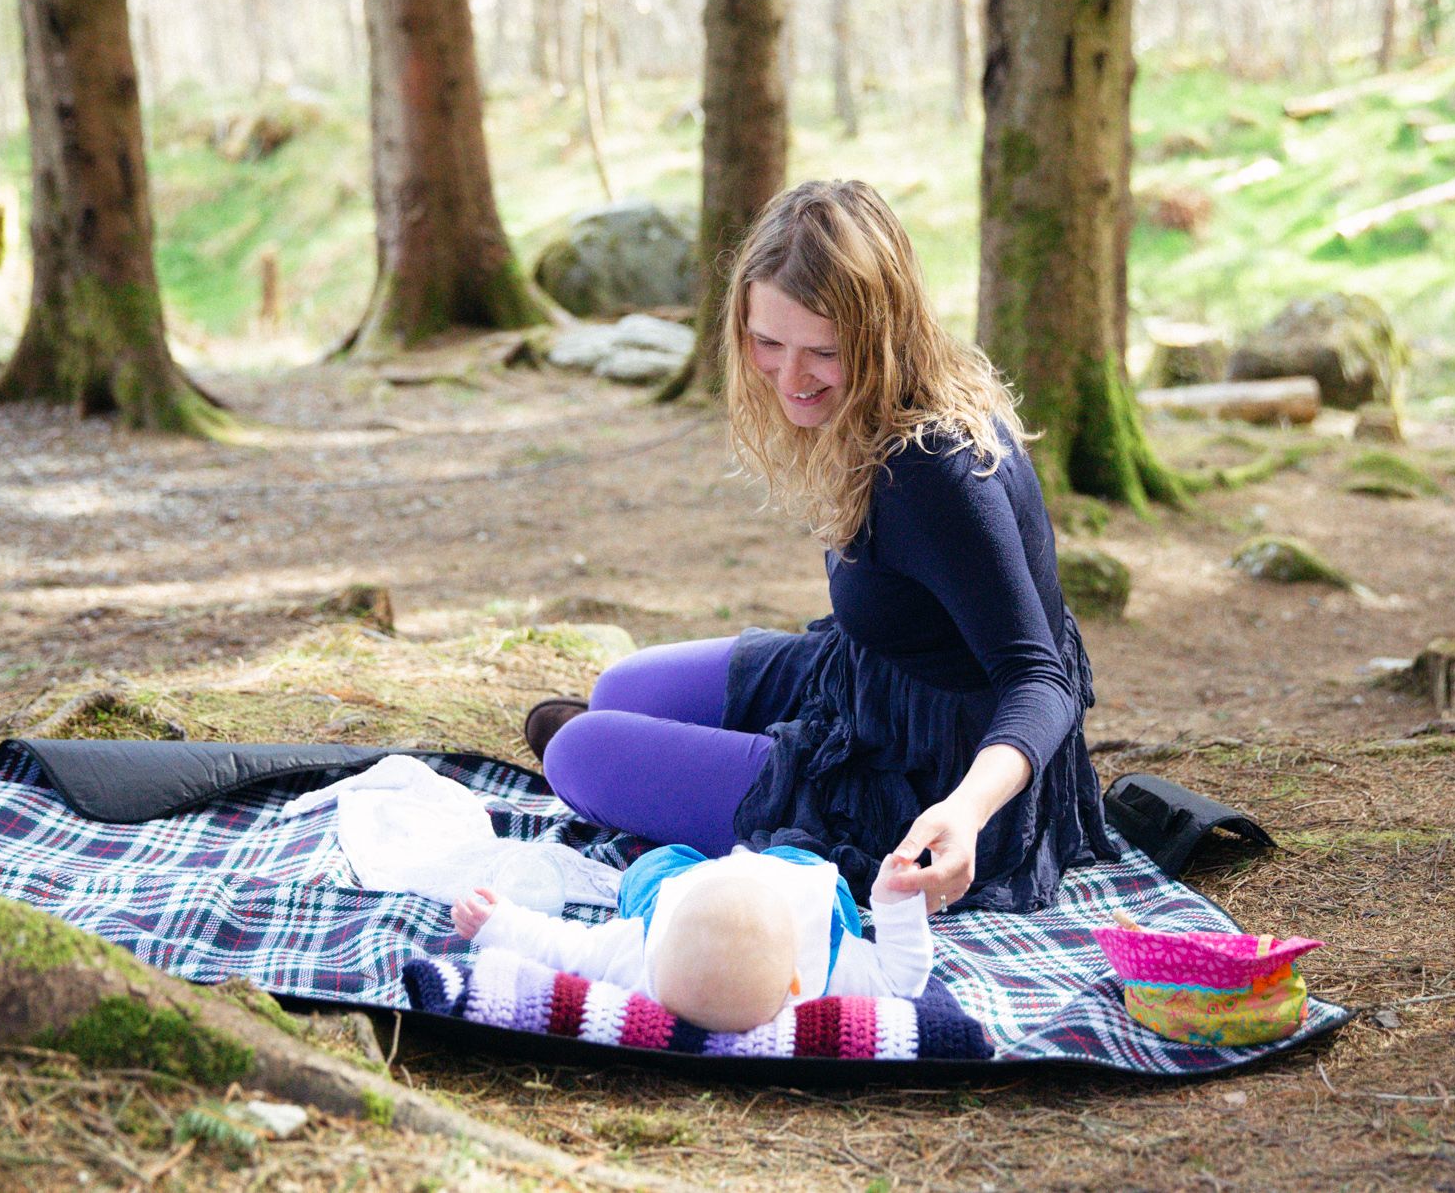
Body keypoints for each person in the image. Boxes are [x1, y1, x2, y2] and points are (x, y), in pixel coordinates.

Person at [532, 179, 1115, 914]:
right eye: (767, 341)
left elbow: (1040, 678)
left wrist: (964, 812)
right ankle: (650, 756)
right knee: (620, 688)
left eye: (824, 351)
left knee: (578, 754)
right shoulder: (874, 404)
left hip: (933, 770)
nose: (790, 377)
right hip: (867, 678)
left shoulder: (934, 469)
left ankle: (652, 768)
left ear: (882, 336)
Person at [451, 844, 933, 1033]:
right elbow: (902, 977)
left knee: (647, 870)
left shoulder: (829, 964)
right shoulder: (643, 946)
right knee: (660, 871)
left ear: (794, 985)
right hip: (710, 891)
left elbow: (563, 947)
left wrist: (500, 924)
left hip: (797, 893)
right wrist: (896, 901)